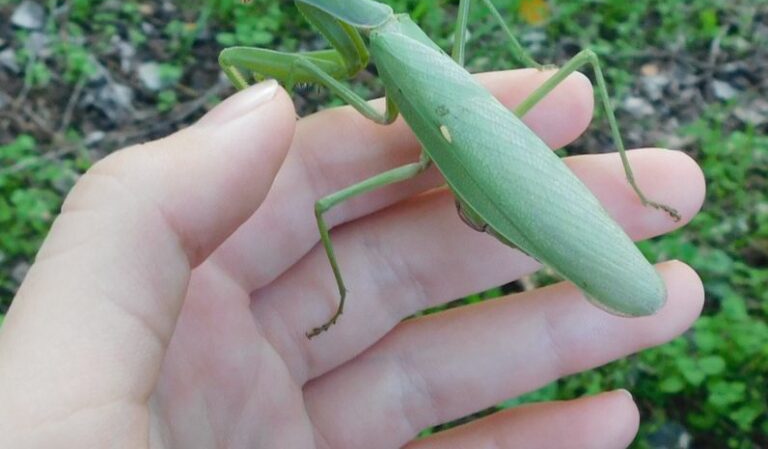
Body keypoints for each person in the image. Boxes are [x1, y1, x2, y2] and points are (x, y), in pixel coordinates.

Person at [0, 71, 705, 448]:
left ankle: (636, 197)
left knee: (323, 206)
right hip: (475, 145)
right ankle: (633, 208)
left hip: (483, 151)